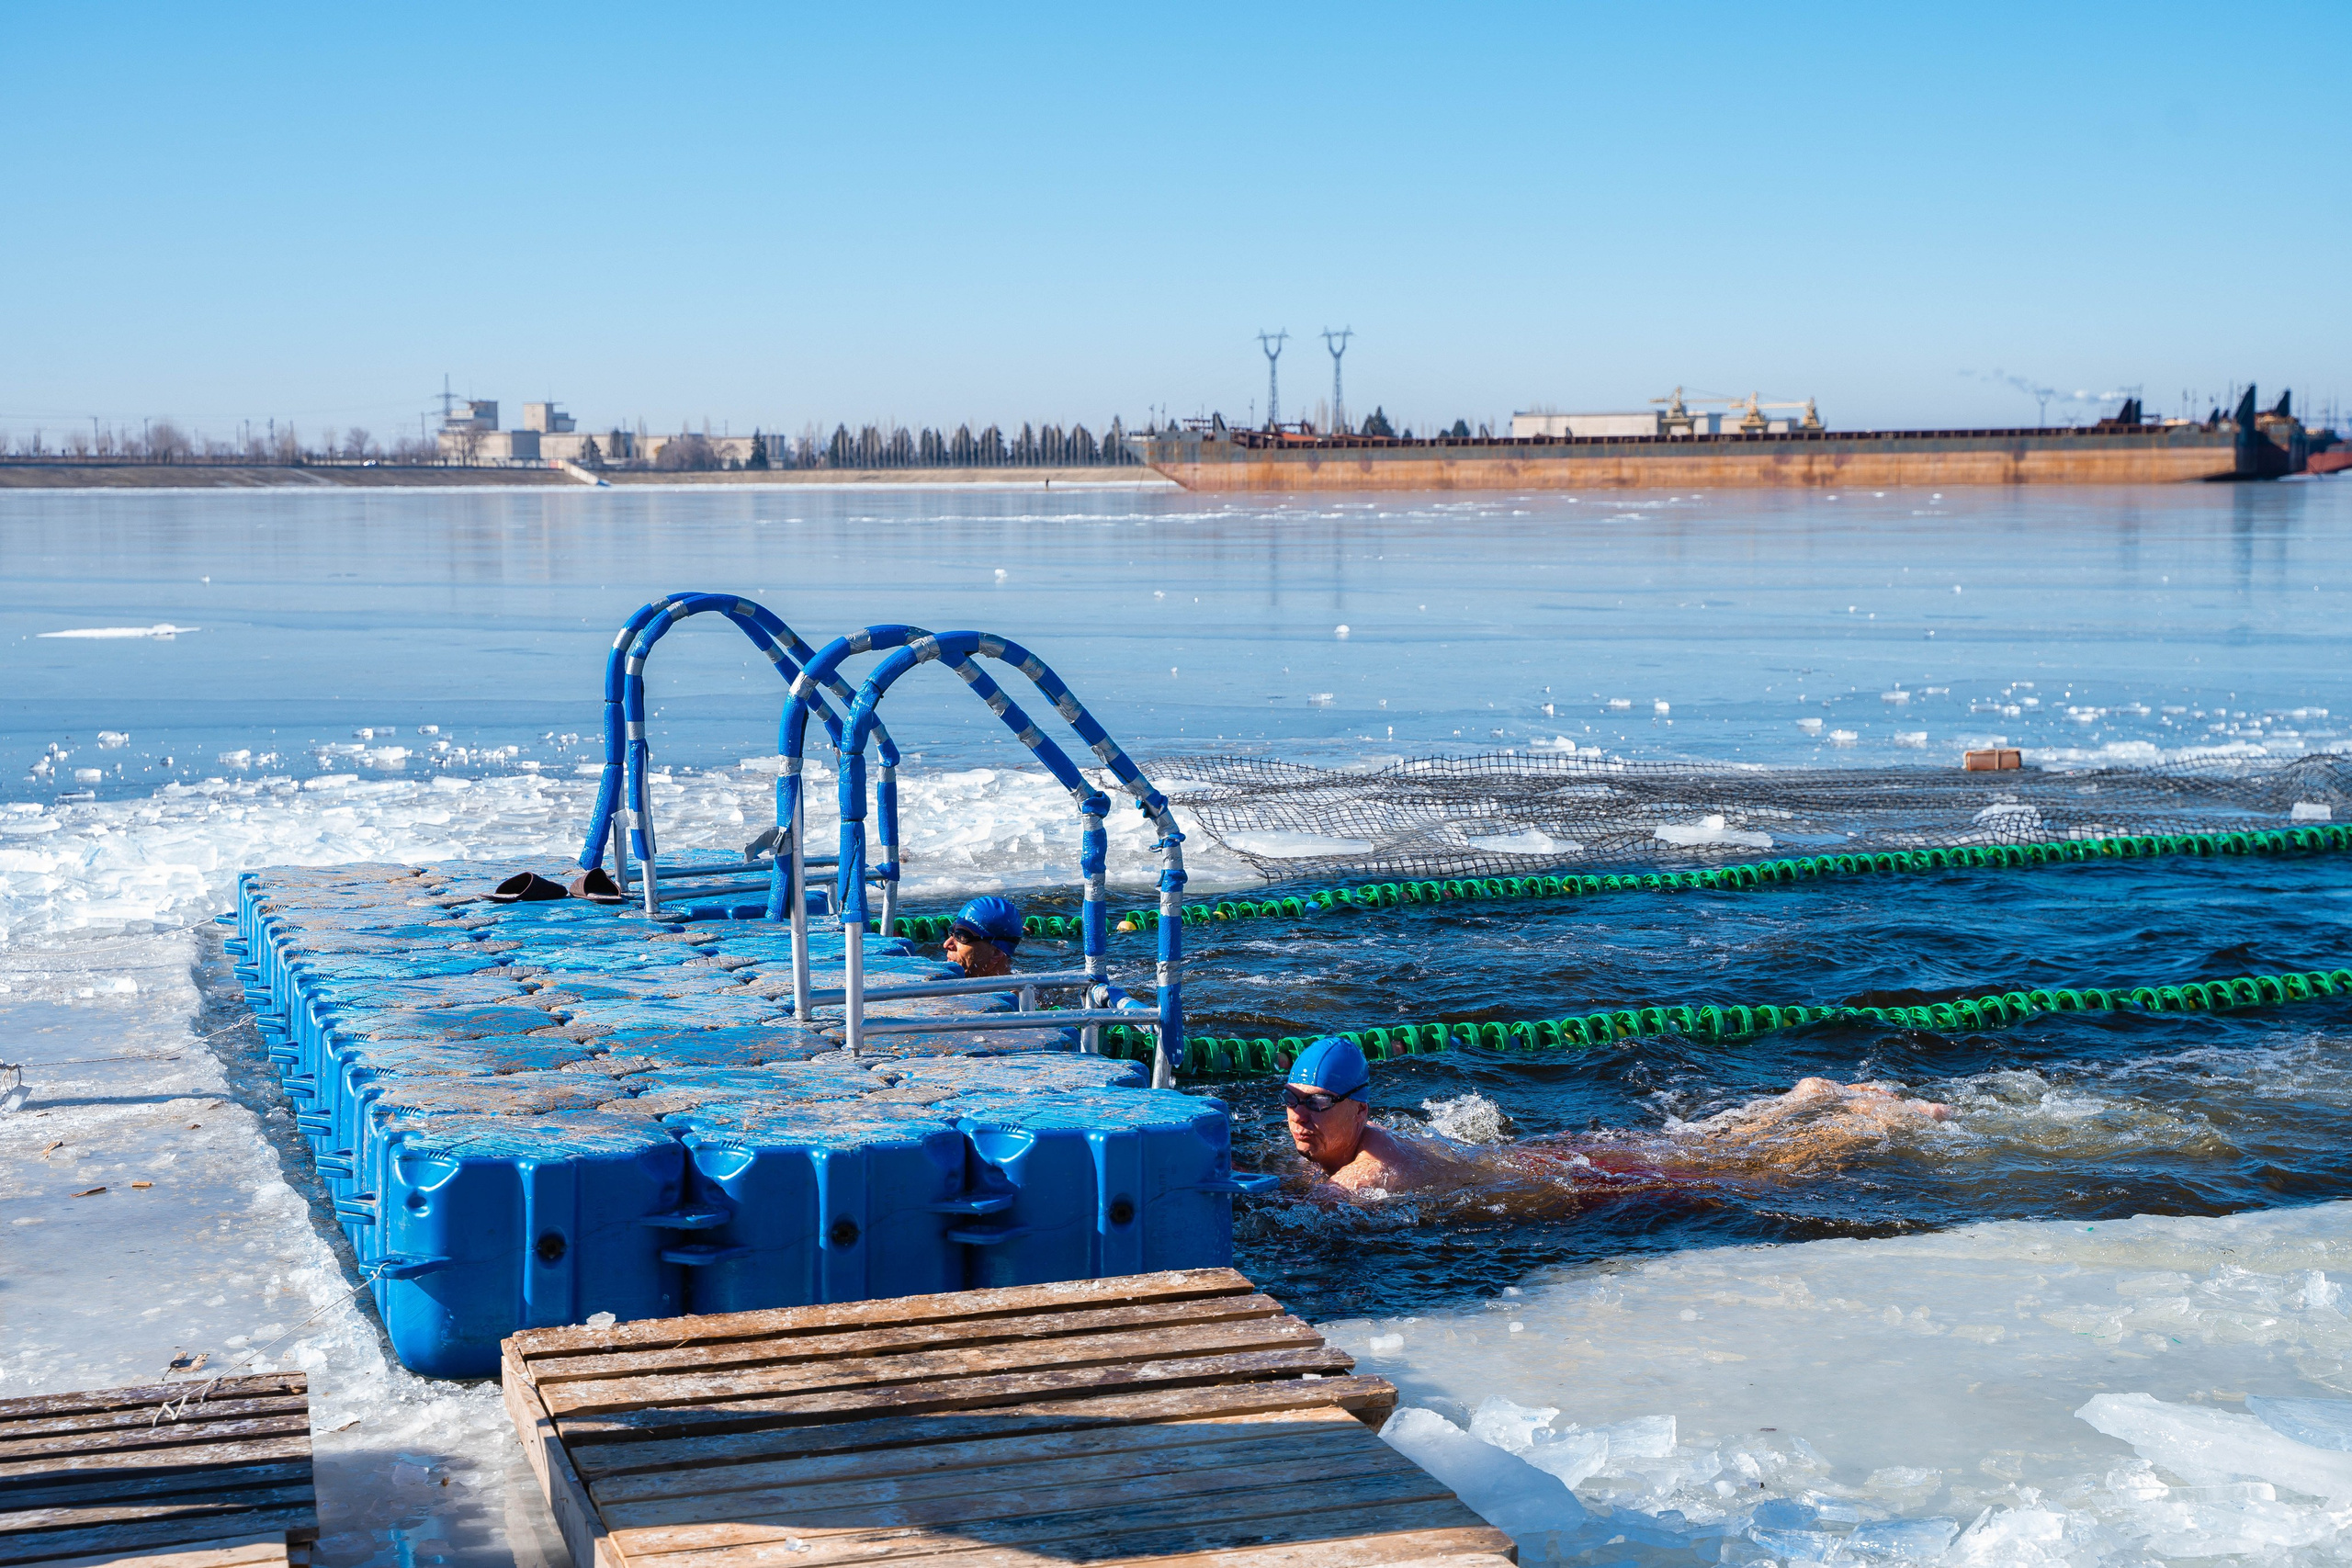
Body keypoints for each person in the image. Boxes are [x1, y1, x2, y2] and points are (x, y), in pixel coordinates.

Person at [1282, 1037, 1952, 1199]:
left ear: (1361, 1108)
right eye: (1290, 1100)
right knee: (1694, 1143)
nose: (1300, 1117)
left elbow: (1320, 1213)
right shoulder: (1351, 1142)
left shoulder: (1370, 1171)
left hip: (1553, 1174)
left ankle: (1876, 1121)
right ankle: (1808, 1097)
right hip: (1530, 1161)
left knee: (1744, 1168)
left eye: (1317, 1103)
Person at [943, 895, 1023, 979]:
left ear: (996, 953)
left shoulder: (1026, 991)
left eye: (961, 936)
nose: (946, 944)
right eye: (951, 932)